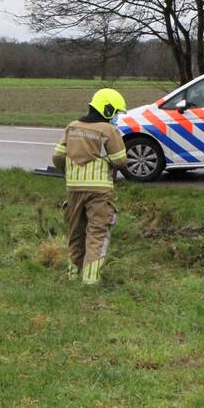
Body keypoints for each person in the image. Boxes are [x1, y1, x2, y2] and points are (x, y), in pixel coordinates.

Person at [52, 88, 128, 285]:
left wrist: (71, 172)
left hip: (74, 189)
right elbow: (120, 161)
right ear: (108, 109)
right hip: (100, 192)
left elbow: (58, 156)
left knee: (75, 234)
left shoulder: (72, 127)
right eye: (117, 113)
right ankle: (90, 282)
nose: (117, 118)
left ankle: (72, 277)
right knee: (97, 234)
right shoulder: (108, 130)